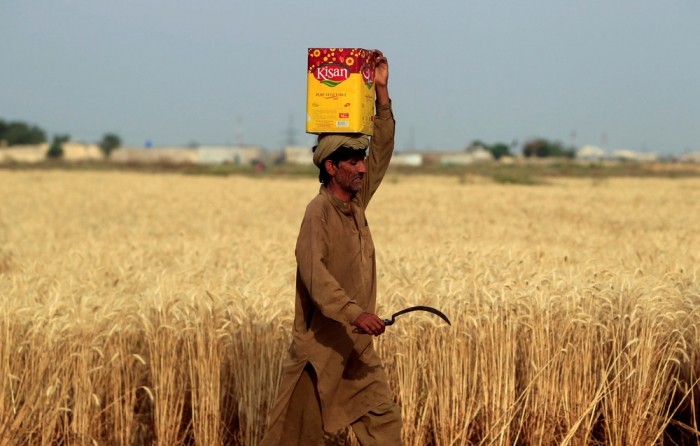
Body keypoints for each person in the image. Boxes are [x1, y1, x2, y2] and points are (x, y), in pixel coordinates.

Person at [260, 50, 402, 446]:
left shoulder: (355, 203)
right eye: (352, 161)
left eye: (361, 160)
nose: (361, 167)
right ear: (330, 167)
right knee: (294, 438)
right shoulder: (317, 213)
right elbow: (316, 278)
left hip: (356, 350)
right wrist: (356, 313)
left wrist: (381, 92)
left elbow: (383, 153)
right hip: (318, 354)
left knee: (385, 425)